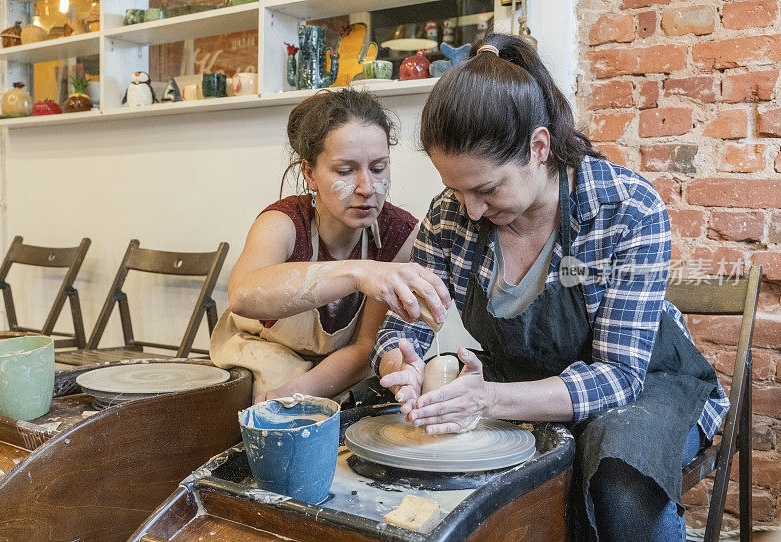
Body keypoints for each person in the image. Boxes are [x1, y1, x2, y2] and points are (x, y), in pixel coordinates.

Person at [371, 34, 729, 541]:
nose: (470, 209)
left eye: (487, 189)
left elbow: (619, 376)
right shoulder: (451, 216)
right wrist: (400, 366)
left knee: (619, 484)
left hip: (644, 383)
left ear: (539, 148)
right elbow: (405, 324)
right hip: (522, 378)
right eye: (456, 188)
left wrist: (488, 400)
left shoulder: (625, 209)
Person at [210, 88, 450, 405]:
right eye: (345, 171)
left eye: (378, 168)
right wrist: (358, 272)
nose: (367, 188)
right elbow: (242, 296)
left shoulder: (399, 234)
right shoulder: (283, 223)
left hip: (340, 370)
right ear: (310, 173)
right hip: (258, 357)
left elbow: (366, 347)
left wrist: (293, 393)